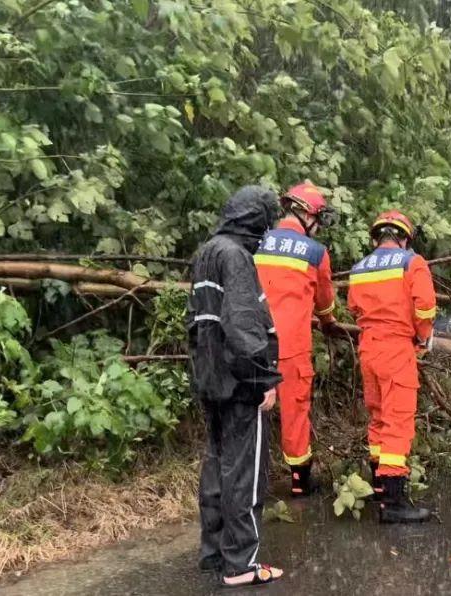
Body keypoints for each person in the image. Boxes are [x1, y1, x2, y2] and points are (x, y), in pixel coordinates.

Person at [188, 186, 284, 586]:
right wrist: (263, 378)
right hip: (241, 382)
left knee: (217, 467)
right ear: (255, 221)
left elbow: (198, 324)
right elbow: (243, 325)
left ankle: (214, 553)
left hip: (211, 378)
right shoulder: (236, 256)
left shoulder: (206, 253)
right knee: (244, 471)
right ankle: (241, 564)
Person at [347, 210, 436, 523]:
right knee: (398, 421)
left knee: (379, 417)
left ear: (376, 238)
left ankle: (380, 487)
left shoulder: (359, 268)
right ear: (404, 238)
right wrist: (423, 338)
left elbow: (354, 307)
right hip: (397, 349)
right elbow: (424, 308)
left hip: (368, 349)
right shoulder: (413, 262)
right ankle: (394, 502)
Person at [255, 181, 343, 496]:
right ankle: (299, 484)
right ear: (307, 214)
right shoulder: (315, 252)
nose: (317, 227)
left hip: (251, 342)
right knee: (295, 411)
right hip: (291, 346)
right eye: (317, 219)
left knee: (252, 412)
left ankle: (252, 482)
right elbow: (324, 301)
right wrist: (329, 321)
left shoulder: (256, 241)